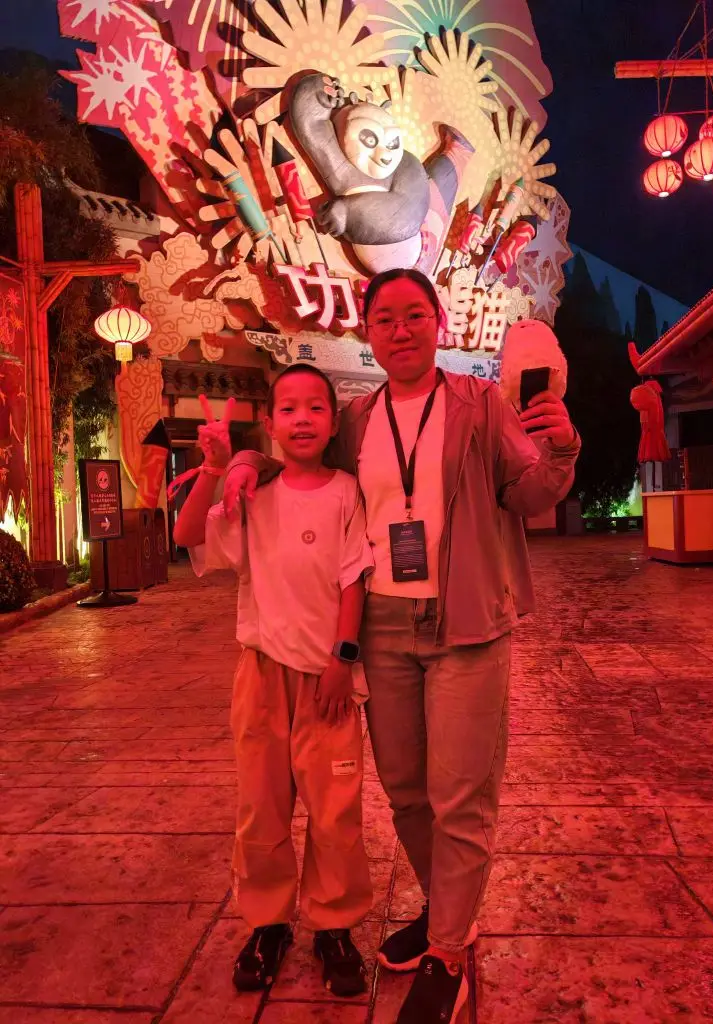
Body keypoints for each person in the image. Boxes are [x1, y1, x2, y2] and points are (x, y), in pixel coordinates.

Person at [224, 268, 580, 1024]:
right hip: (382, 627)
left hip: (466, 623)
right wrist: (246, 461)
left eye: (414, 314)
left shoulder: (479, 403)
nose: (400, 329)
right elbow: (301, 462)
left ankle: (448, 949)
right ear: (369, 333)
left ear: (438, 321)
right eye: (384, 318)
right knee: (407, 789)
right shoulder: (357, 418)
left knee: (460, 796)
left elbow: (528, 492)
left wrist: (563, 447)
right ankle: (450, 906)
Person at [173, 367, 374, 998]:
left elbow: (354, 579)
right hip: (261, 675)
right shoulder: (253, 494)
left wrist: (342, 659)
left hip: (328, 680)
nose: (303, 419)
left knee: (335, 810)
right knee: (261, 807)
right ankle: (268, 923)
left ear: (333, 423)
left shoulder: (347, 492)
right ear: (270, 424)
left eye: (316, 407)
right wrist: (215, 469)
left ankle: (334, 925)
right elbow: (186, 536)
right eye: (289, 408)